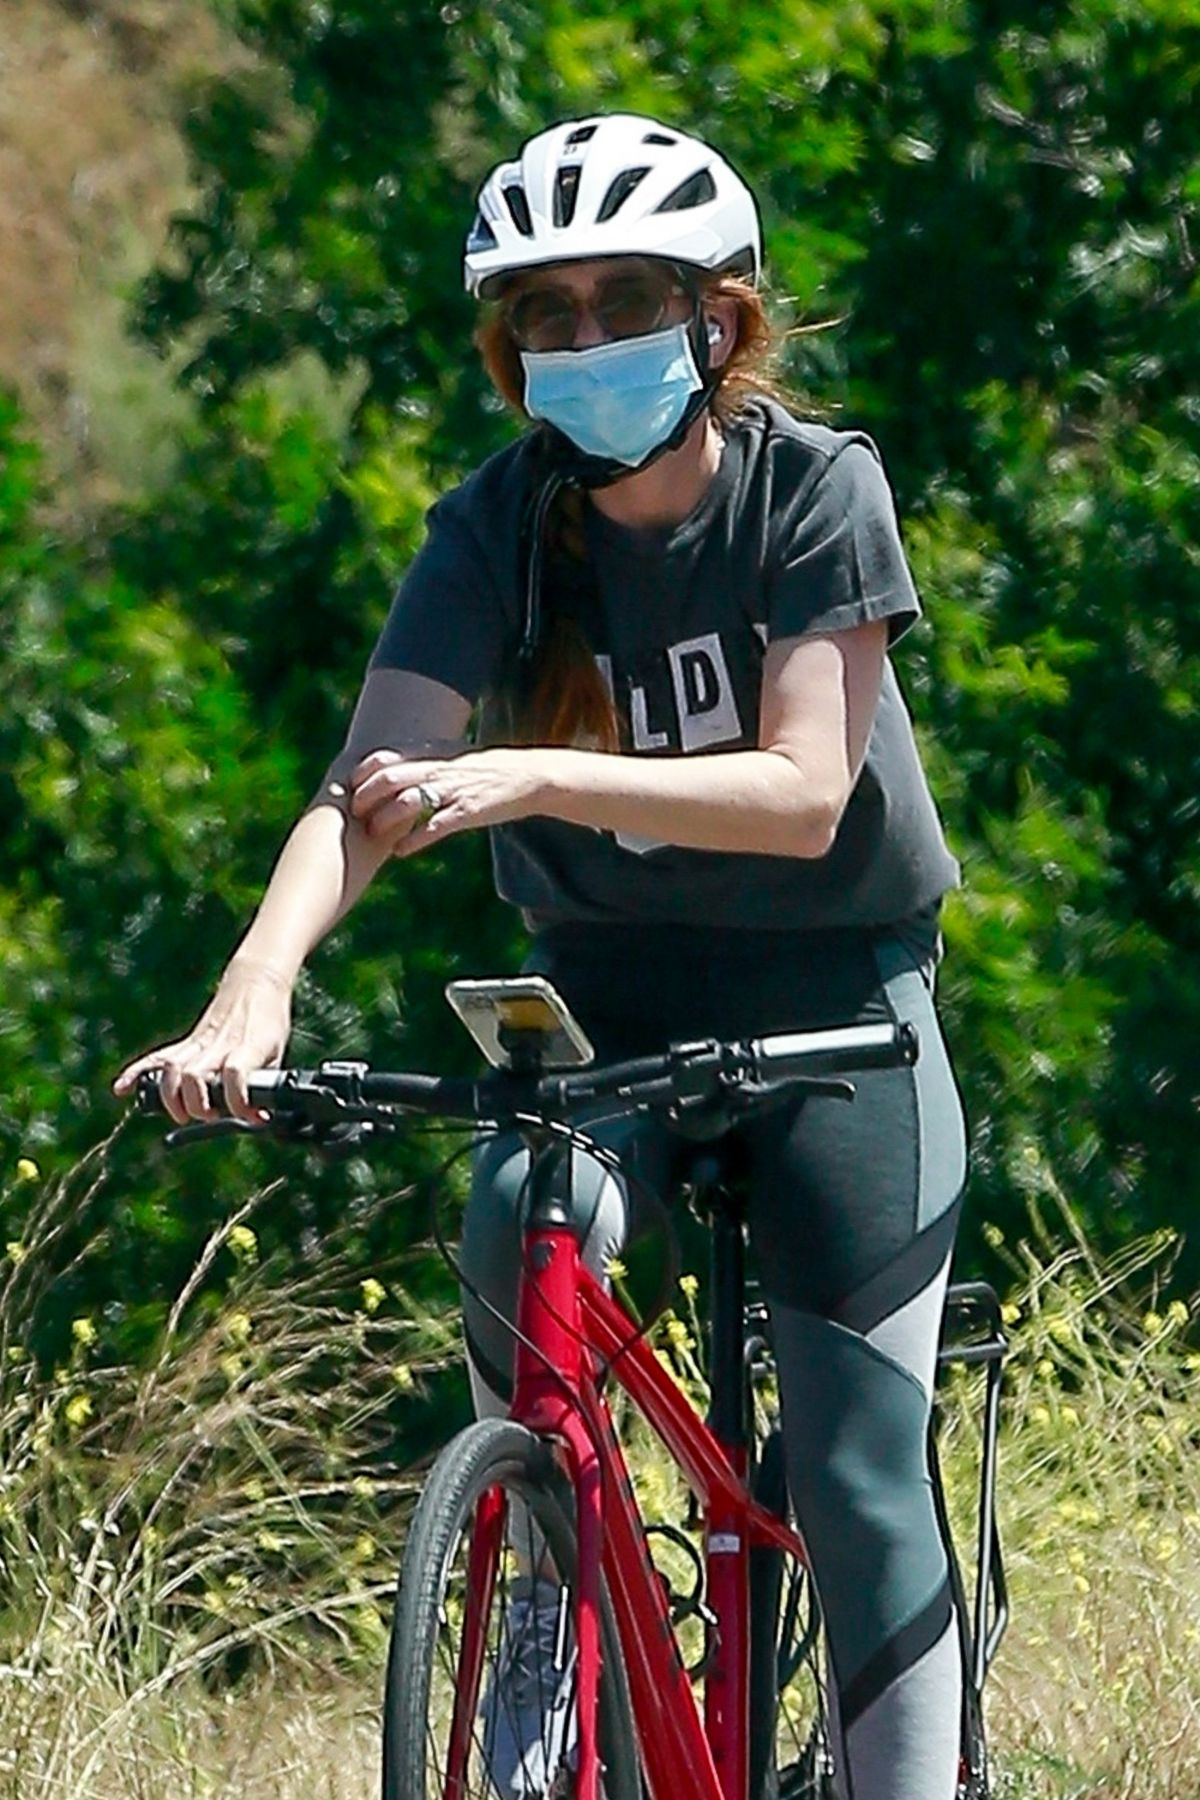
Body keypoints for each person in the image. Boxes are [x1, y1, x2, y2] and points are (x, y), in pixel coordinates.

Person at [115, 112, 969, 1800]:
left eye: (622, 299)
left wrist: (533, 774)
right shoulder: (494, 528)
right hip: (602, 1014)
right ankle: (549, 1625)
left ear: (714, 321)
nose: (583, 338)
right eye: (547, 314)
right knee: (523, 1228)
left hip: (836, 1015)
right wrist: (252, 995)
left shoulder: (820, 488)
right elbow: (362, 801)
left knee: (864, 1476)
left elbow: (806, 795)